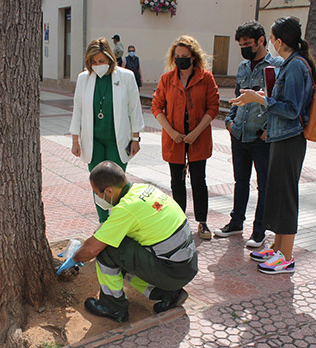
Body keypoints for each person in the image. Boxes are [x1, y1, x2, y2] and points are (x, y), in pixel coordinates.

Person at [231, 17, 315, 274]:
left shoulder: (295, 66)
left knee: (286, 197)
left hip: (290, 138)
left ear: (278, 40)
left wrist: (259, 99)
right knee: (278, 195)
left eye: (273, 38)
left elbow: (291, 109)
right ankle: (278, 248)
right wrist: (258, 97)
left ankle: (286, 257)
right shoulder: (291, 64)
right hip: (281, 138)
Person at [68, 161, 198, 322]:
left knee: (108, 252)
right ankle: (168, 294)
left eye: (97, 193)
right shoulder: (143, 189)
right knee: (119, 250)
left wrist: (74, 258)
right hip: (186, 266)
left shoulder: (126, 209)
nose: (97, 198)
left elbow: (92, 250)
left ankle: (114, 307)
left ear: (108, 191)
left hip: (171, 271)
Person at [214, 21, 283, 249]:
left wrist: (269, 131)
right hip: (239, 134)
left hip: (261, 138)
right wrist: (229, 121)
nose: (244, 48)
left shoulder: (276, 66)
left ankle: (259, 230)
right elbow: (237, 97)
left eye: (248, 44)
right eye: (241, 44)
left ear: (261, 40)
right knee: (240, 181)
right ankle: (236, 222)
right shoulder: (243, 67)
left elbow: (278, 102)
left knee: (263, 186)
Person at [151, 35, 220, 241]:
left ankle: (202, 222)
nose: (181, 59)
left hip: (197, 138)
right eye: (177, 56)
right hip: (175, 140)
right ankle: (179, 222)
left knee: (199, 181)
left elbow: (213, 107)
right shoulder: (166, 79)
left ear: (193, 57)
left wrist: (196, 132)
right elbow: (156, 107)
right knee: (176, 182)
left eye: (185, 56)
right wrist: (171, 132)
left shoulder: (206, 78)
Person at [69, 37, 144, 224]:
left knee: (116, 184)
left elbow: (134, 108)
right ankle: (103, 222)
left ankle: (118, 221)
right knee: (98, 183)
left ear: (110, 59)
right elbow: (77, 109)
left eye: (101, 61)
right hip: (93, 141)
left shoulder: (125, 76)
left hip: (117, 140)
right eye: (93, 62)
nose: (97, 65)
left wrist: (136, 138)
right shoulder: (83, 79)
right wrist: (75, 140)